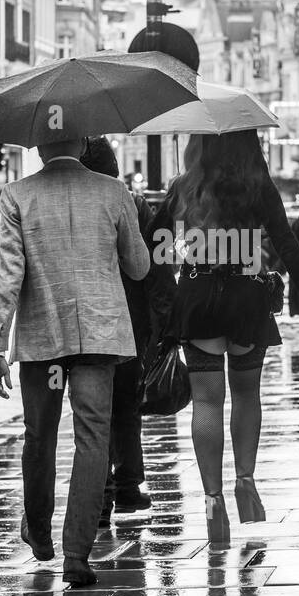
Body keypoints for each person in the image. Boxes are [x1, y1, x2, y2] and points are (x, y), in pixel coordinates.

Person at [0, 137, 150, 587]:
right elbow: (138, 267)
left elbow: (9, 274)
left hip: (43, 340)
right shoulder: (114, 192)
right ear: (81, 143)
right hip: (99, 335)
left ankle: (38, 532)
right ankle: (78, 552)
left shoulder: (17, 195)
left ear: (38, 147)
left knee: (39, 435)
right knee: (93, 437)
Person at [147, 130, 299, 544]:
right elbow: (287, 241)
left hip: (198, 295)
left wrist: (170, 295)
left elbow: (153, 245)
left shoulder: (185, 187)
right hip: (247, 296)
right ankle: (245, 482)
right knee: (247, 395)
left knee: (206, 401)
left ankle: (212, 500)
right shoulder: (257, 187)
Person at [77, 135, 175, 524]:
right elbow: (157, 268)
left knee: (93, 411)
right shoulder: (133, 205)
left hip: (88, 322)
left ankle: (100, 495)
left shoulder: (79, 205)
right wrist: (165, 324)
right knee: (126, 406)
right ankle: (129, 486)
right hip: (131, 323)